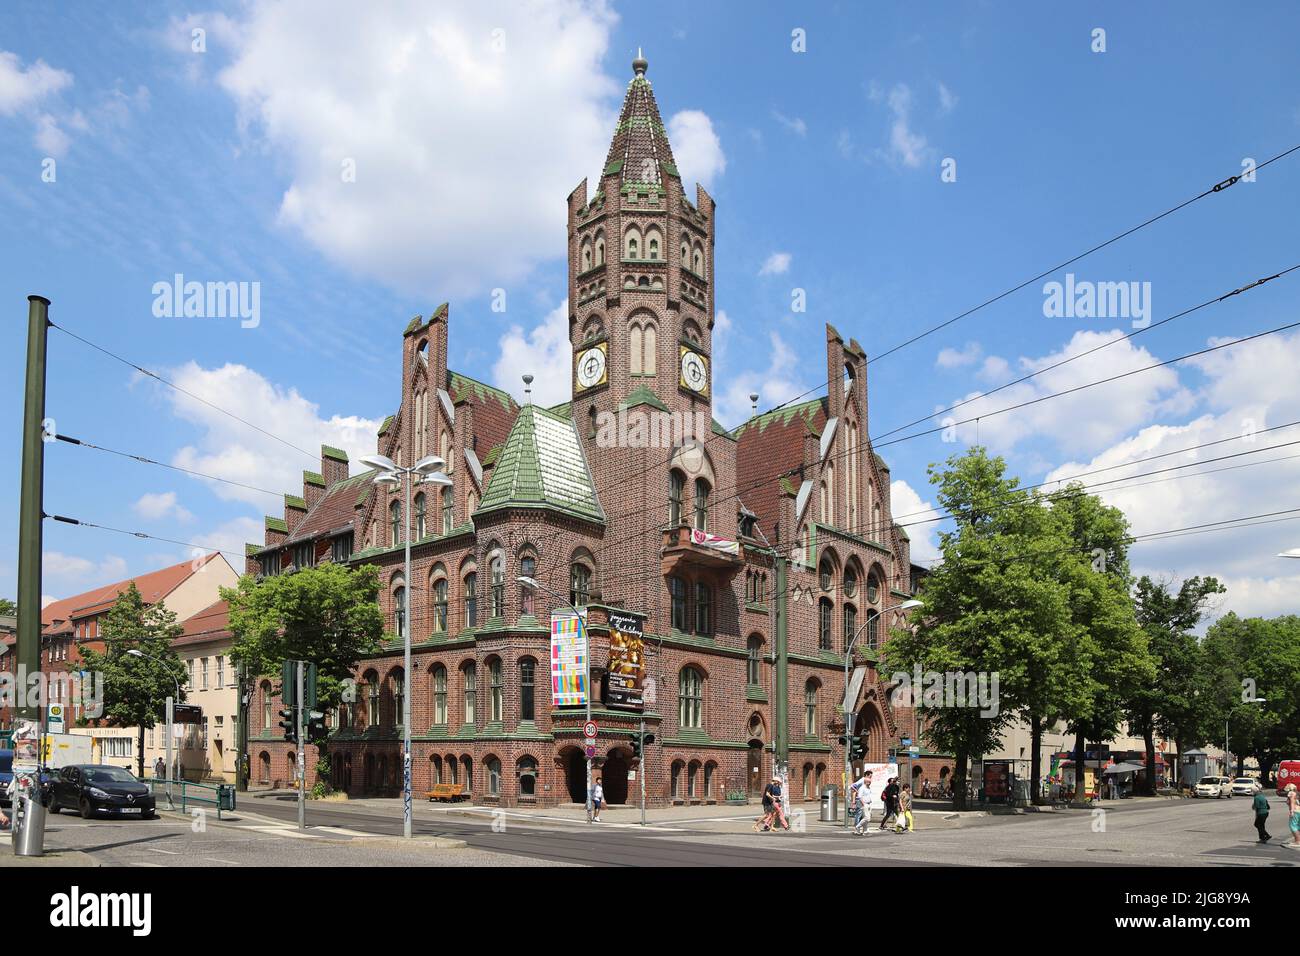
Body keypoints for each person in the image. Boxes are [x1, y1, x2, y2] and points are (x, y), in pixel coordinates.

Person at [848, 771, 873, 835]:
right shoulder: (862, 781)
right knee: (859, 815)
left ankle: (864, 830)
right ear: (866, 775)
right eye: (870, 776)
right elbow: (852, 786)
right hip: (861, 801)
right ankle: (857, 828)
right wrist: (857, 792)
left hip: (865, 801)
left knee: (864, 816)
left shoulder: (867, 786)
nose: (871, 778)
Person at [1286, 783, 1300, 849]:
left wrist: (1291, 811)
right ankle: (1297, 840)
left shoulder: (1291, 793)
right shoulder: (1296, 793)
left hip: (1295, 811)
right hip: (1298, 810)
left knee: (1293, 826)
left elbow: (1292, 802)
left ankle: (1297, 841)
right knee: (1297, 826)